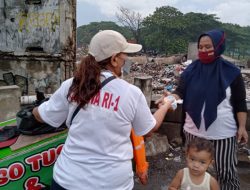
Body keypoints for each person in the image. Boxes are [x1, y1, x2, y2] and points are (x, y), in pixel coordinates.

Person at [32, 30, 174, 190]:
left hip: (67, 180)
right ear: (114, 59)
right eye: (124, 56)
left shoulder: (72, 85)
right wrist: (166, 105)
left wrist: (34, 110)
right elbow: (149, 129)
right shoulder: (131, 93)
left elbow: (41, 115)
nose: (126, 60)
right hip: (111, 184)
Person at [161, 29, 248, 190]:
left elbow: (240, 102)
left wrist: (242, 127)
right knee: (194, 173)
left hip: (223, 135)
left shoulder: (232, 72)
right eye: (200, 47)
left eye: (208, 47)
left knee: (226, 174)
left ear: (219, 46)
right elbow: (179, 91)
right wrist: (169, 98)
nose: (203, 50)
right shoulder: (191, 70)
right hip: (193, 133)